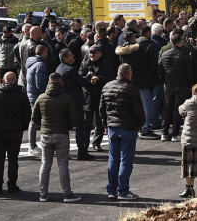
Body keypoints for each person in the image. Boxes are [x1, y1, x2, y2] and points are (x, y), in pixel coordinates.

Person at [31, 72, 80, 203]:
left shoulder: (41, 98)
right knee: (63, 164)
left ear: (48, 82)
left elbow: (34, 117)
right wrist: (66, 126)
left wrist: (44, 125)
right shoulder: (67, 98)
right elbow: (74, 118)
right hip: (62, 133)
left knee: (45, 164)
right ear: (61, 82)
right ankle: (67, 193)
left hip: (46, 134)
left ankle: (43, 194)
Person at [99, 63, 145, 201]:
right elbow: (138, 111)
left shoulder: (107, 86)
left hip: (112, 127)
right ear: (128, 74)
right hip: (128, 127)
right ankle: (123, 190)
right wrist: (140, 123)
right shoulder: (132, 88)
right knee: (126, 160)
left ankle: (112, 189)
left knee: (113, 160)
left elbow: (102, 108)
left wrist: (105, 124)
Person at [0, 72, 30, 194]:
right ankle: (12, 184)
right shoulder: (22, 95)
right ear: (16, 80)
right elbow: (27, 113)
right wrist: (23, 127)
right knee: (13, 159)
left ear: (3, 80)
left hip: (0, 130)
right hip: (16, 130)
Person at [55, 49, 93, 160]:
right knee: (80, 127)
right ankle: (81, 152)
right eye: (71, 55)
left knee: (64, 128)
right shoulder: (70, 70)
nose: (73, 56)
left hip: (64, 102)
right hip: (75, 103)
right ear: (65, 58)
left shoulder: (59, 68)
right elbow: (82, 81)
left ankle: (63, 151)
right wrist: (89, 76)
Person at [158, 34, 194, 141]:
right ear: (180, 42)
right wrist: (190, 84)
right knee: (178, 109)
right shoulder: (185, 53)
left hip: (168, 84)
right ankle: (175, 133)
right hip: (181, 84)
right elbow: (189, 71)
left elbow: (160, 70)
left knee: (167, 108)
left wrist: (164, 80)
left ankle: (164, 132)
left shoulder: (164, 54)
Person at [81, 44, 115, 152]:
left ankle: (96, 143)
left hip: (101, 95)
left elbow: (110, 78)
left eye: (94, 52)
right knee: (87, 123)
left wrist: (98, 78)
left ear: (100, 53)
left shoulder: (106, 65)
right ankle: (85, 144)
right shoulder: (85, 64)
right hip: (88, 96)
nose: (92, 55)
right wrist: (88, 79)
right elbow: (79, 77)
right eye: (90, 53)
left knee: (100, 122)